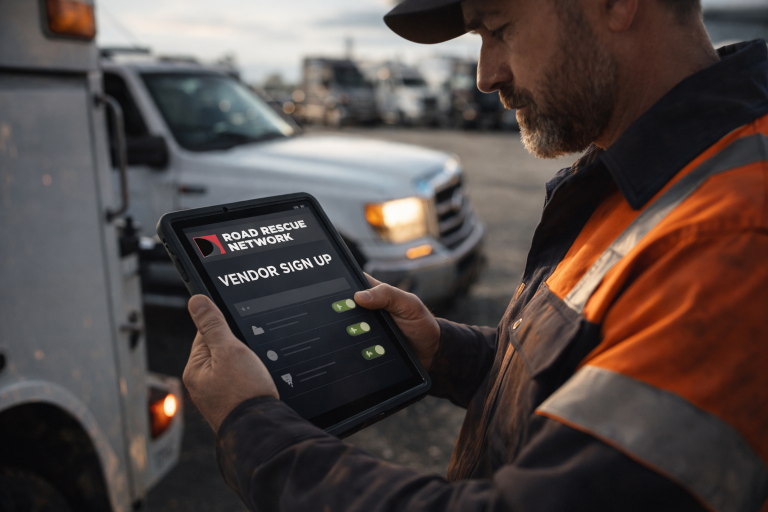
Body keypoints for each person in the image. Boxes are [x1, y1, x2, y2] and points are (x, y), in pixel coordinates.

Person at [182, 0, 768, 509]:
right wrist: (443, 351)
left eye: (499, 29)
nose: (486, 75)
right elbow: (580, 378)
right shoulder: (649, 177)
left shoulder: (734, 234)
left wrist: (252, 427)